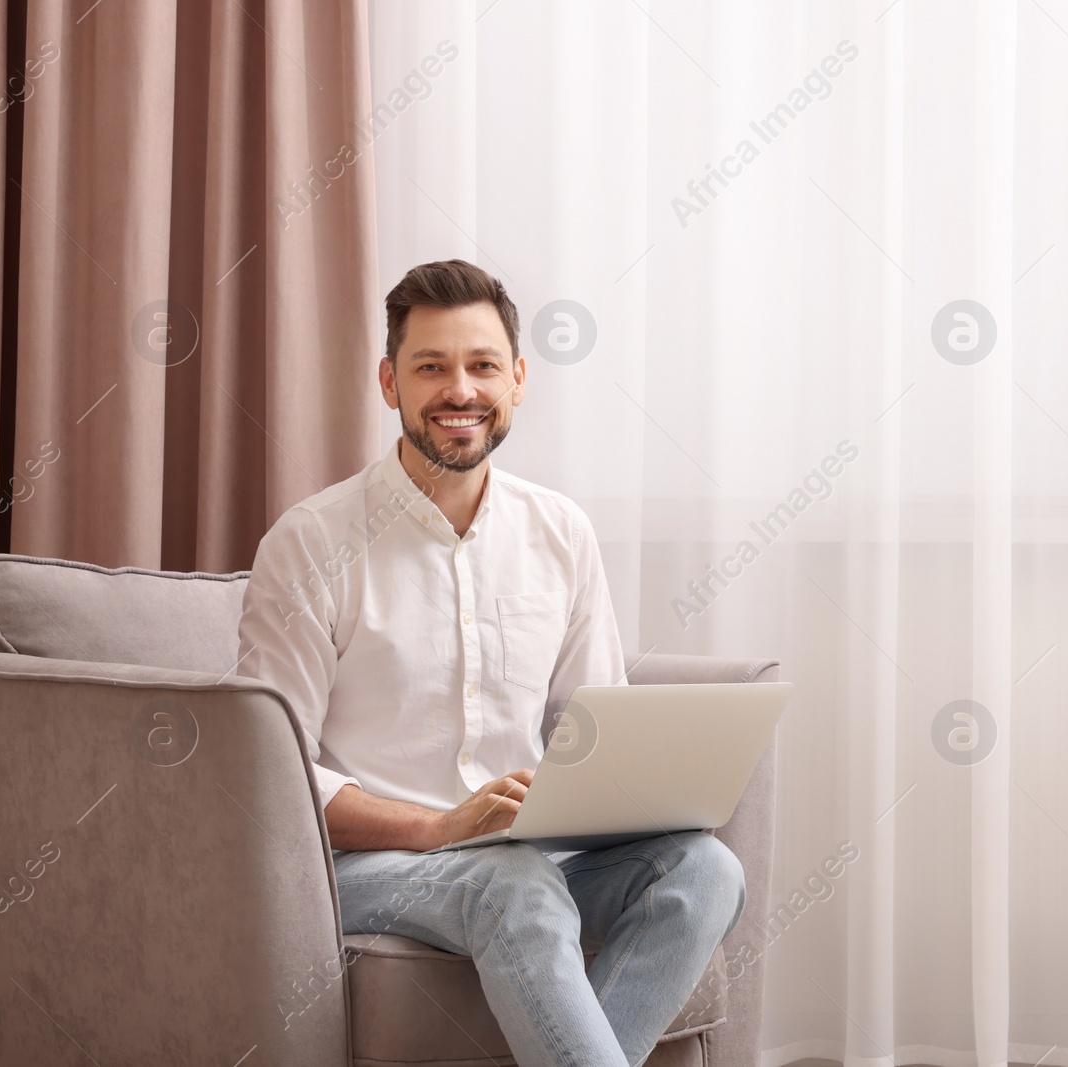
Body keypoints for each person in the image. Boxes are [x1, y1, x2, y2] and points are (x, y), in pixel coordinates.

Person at [236, 259, 744, 1066]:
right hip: (370, 866)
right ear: (388, 382)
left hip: (527, 855)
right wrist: (440, 827)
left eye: (480, 366)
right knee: (515, 886)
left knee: (706, 870)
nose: (459, 390)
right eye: (430, 366)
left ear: (516, 379)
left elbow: (592, 726)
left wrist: (628, 791)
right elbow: (266, 773)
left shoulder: (560, 532)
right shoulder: (311, 542)